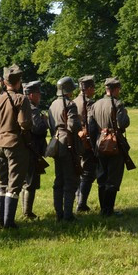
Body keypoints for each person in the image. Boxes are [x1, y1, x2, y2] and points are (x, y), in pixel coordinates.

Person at [0, 65, 32, 229]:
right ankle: (8, 222)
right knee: (14, 184)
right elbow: (25, 123)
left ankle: (0, 220)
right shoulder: (21, 99)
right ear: (18, 82)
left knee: (2, 181)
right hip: (15, 144)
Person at [87, 77, 131, 216]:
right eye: (118, 88)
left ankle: (103, 209)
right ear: (115, 89)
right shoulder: (118, 104)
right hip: (114, 145)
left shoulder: (95, 105)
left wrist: (95, 145)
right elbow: (123, 124)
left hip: (99, 144)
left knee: (101, 178)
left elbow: (91, 128)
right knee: (113, 178)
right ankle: (109, 210)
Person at [48, 77, 81, 221]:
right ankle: (68, 215)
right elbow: (73, 126)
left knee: (59, 180)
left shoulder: (52, 104)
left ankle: (58, 214)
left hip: (56, 142)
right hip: (67, 143)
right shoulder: (70, 105)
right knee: (70, 180)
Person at [23, 81, 47, 220]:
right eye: (38, 94)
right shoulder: (32, 109)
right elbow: (38, 129)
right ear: (31, 95)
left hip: (27, 148)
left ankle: (26, 210)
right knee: (30, 182)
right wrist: (45, 121)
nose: (40, 97)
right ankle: (27, 212)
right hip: (32, 148)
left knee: (25, 182)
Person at [74, 75, 99, 212]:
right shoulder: (89, 103)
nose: (94, 90)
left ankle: (79, 199)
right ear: (88, 88)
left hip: (76, 141)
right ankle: (81, 203)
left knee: (78, 171)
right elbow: (92, 125)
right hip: (87, 142)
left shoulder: (73, 101)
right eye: (93, 87)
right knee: (89, 173)